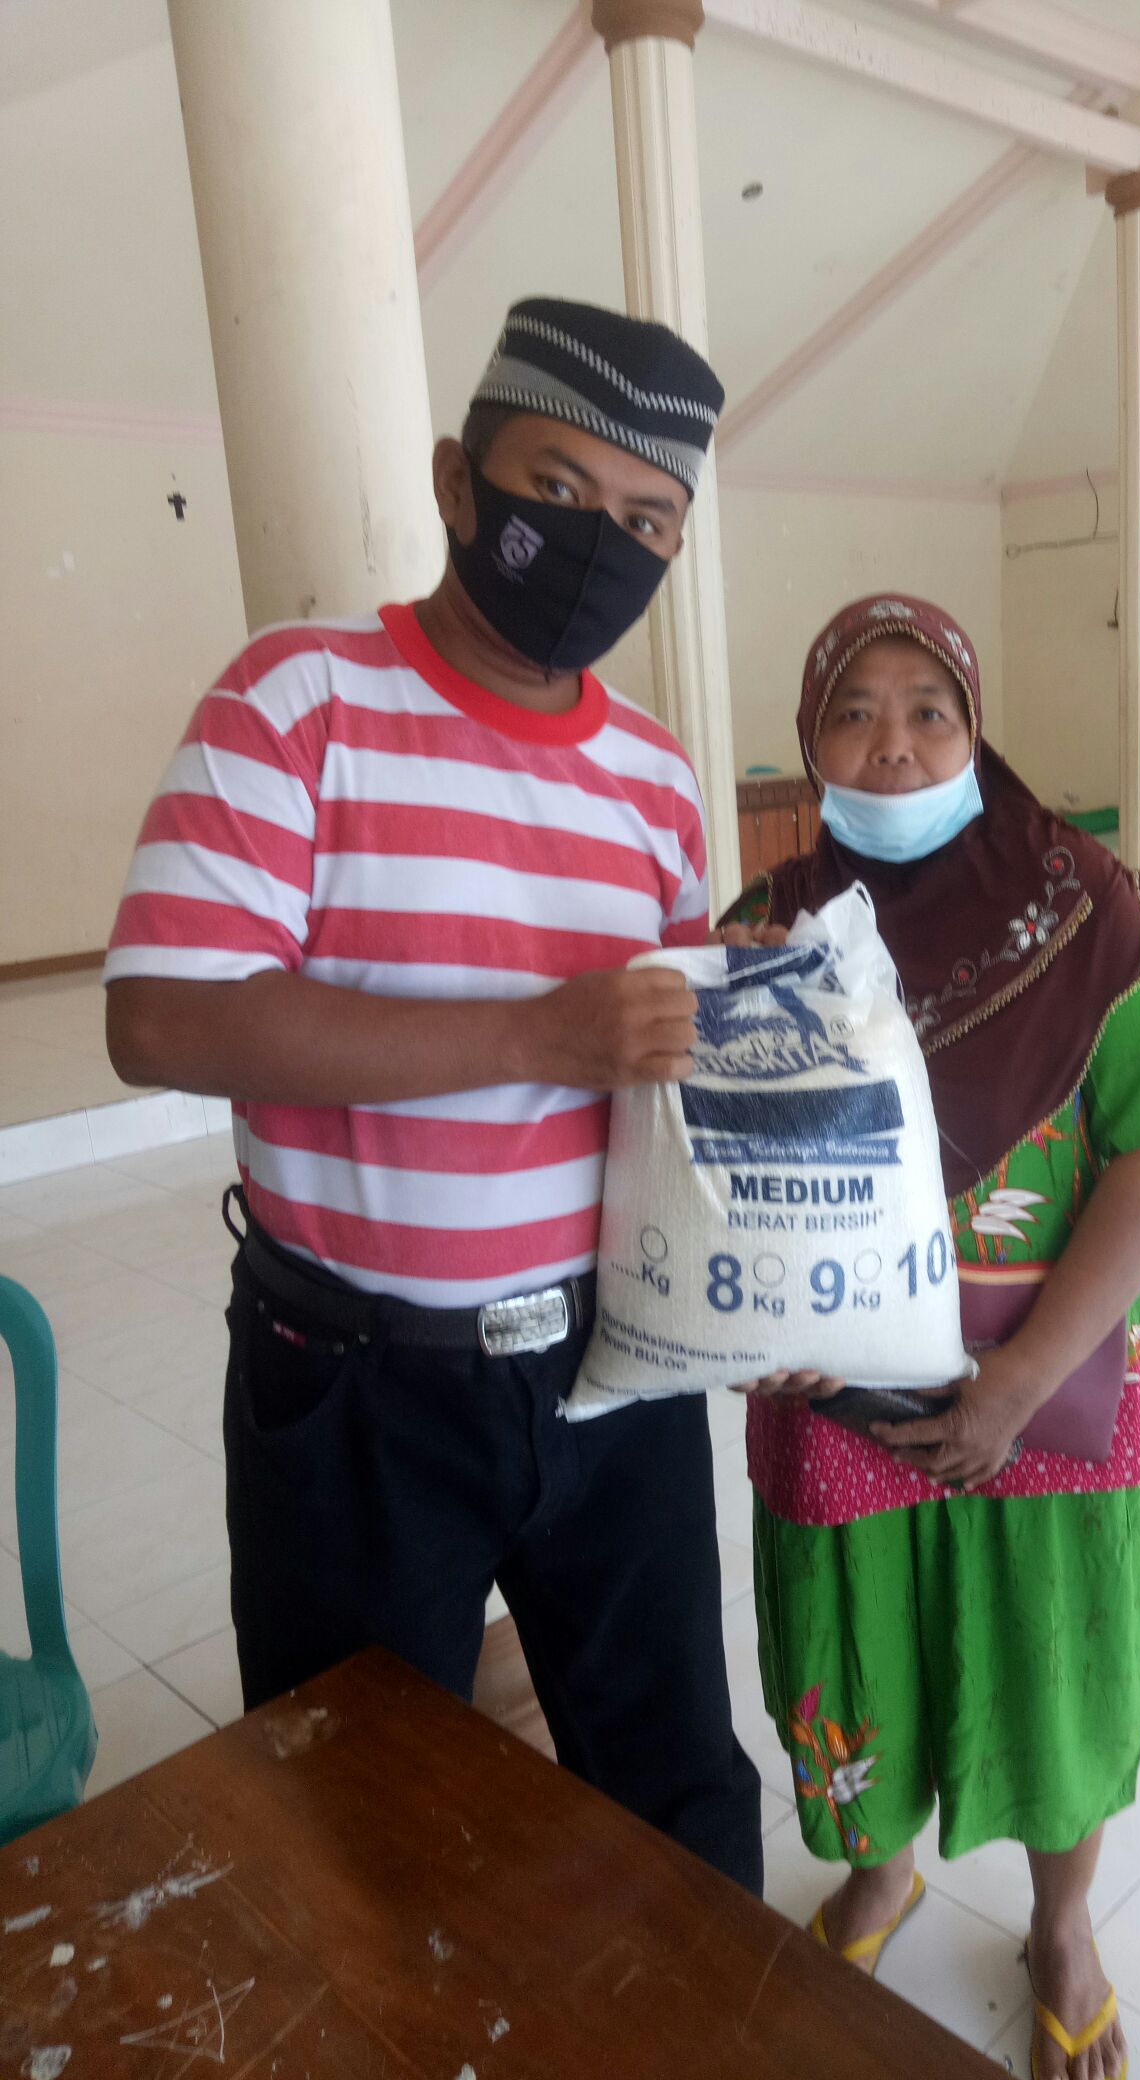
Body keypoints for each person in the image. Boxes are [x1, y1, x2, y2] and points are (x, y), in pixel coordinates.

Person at [104, 297, 763, 1894]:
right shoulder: (297, 704)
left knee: (676, 1785)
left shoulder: (657, 779)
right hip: (360, 1384)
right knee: (359, 1821)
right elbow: (161, 1019)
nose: (601, 542)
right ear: (459, 481)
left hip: (617, 1365)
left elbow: (662, 1080)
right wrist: (537, 1036)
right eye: (560, 486)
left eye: (647, 521)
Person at [721, 594, 1140, 2075]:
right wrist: (745, 1311)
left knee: (1056, 1673)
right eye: (853, 712)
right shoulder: (766, 929)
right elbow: (715, 1171)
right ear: (809, 745)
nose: (893, 746)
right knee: (856, 1660)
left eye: (928, 711)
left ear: (975, 732)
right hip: (842, 1403)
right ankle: (880, 1871)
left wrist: (1019, 1380)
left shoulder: (1082, 909)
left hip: (1050, 1387)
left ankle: (1063, 1924)